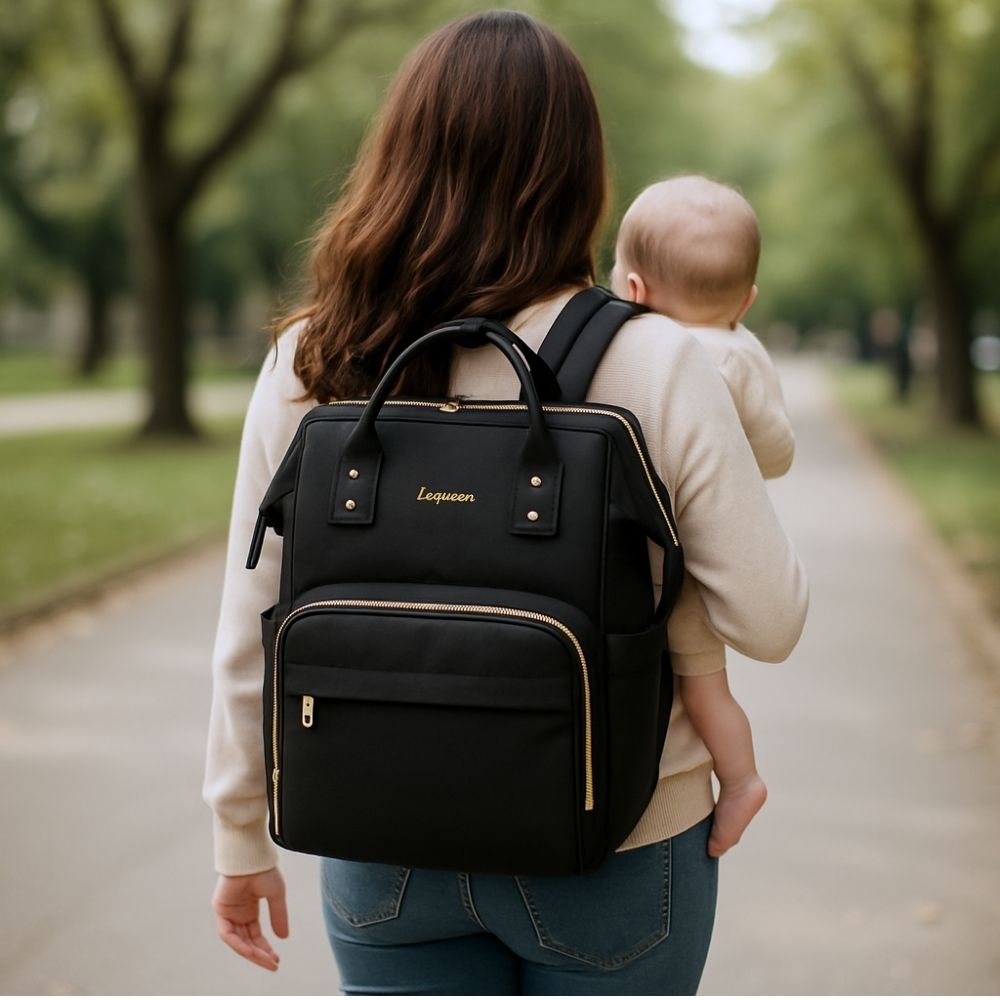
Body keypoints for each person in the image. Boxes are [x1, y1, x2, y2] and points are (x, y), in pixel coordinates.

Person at [204, 12, 808, 995]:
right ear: (578, 175)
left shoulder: (315, 353)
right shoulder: (653, 354)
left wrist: (239, 833)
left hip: (379, 841)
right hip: (615, 838)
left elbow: (251, 619)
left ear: (397, 156)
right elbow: (771, 620)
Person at [610, 174, 796, 858]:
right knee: (704, 687)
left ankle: (742, 780)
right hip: (701, 550)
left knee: (694, 681)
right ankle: (739, 778)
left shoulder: (623, 347)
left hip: (642, 554)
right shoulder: (742, 354)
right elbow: (775, 452)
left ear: (631, 288)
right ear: (746, 299)